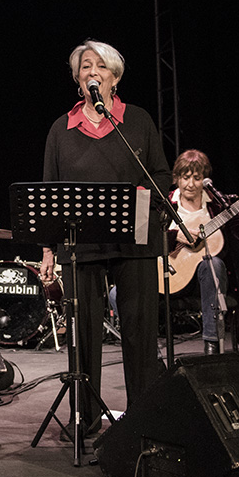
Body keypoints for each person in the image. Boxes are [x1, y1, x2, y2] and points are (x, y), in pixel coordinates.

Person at [39, 40, 171, 441]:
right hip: (81, 247)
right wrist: (47, 249)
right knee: (85, 336)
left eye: (99, 66)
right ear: (78, 81)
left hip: (136, 243)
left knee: (140, 333)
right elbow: (48, 192)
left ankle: (144, 419)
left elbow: (161, 176)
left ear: (114, 76)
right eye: (84, 67)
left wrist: (146, 209)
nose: (91, 72)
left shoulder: (138, 121)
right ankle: (86, 419)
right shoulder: (60, 129)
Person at [167, 149, 239, 354]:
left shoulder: (217, 204)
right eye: (185, 177)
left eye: (197, 178)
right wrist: (174, 237)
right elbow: (146, 235)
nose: (190, 184)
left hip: (206, 281)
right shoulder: (166, 203)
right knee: (117, 294)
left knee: (213, 264)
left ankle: (212, 345)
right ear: (176, 179)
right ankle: (151, 357)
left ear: (205, 180)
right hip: (170, 275)